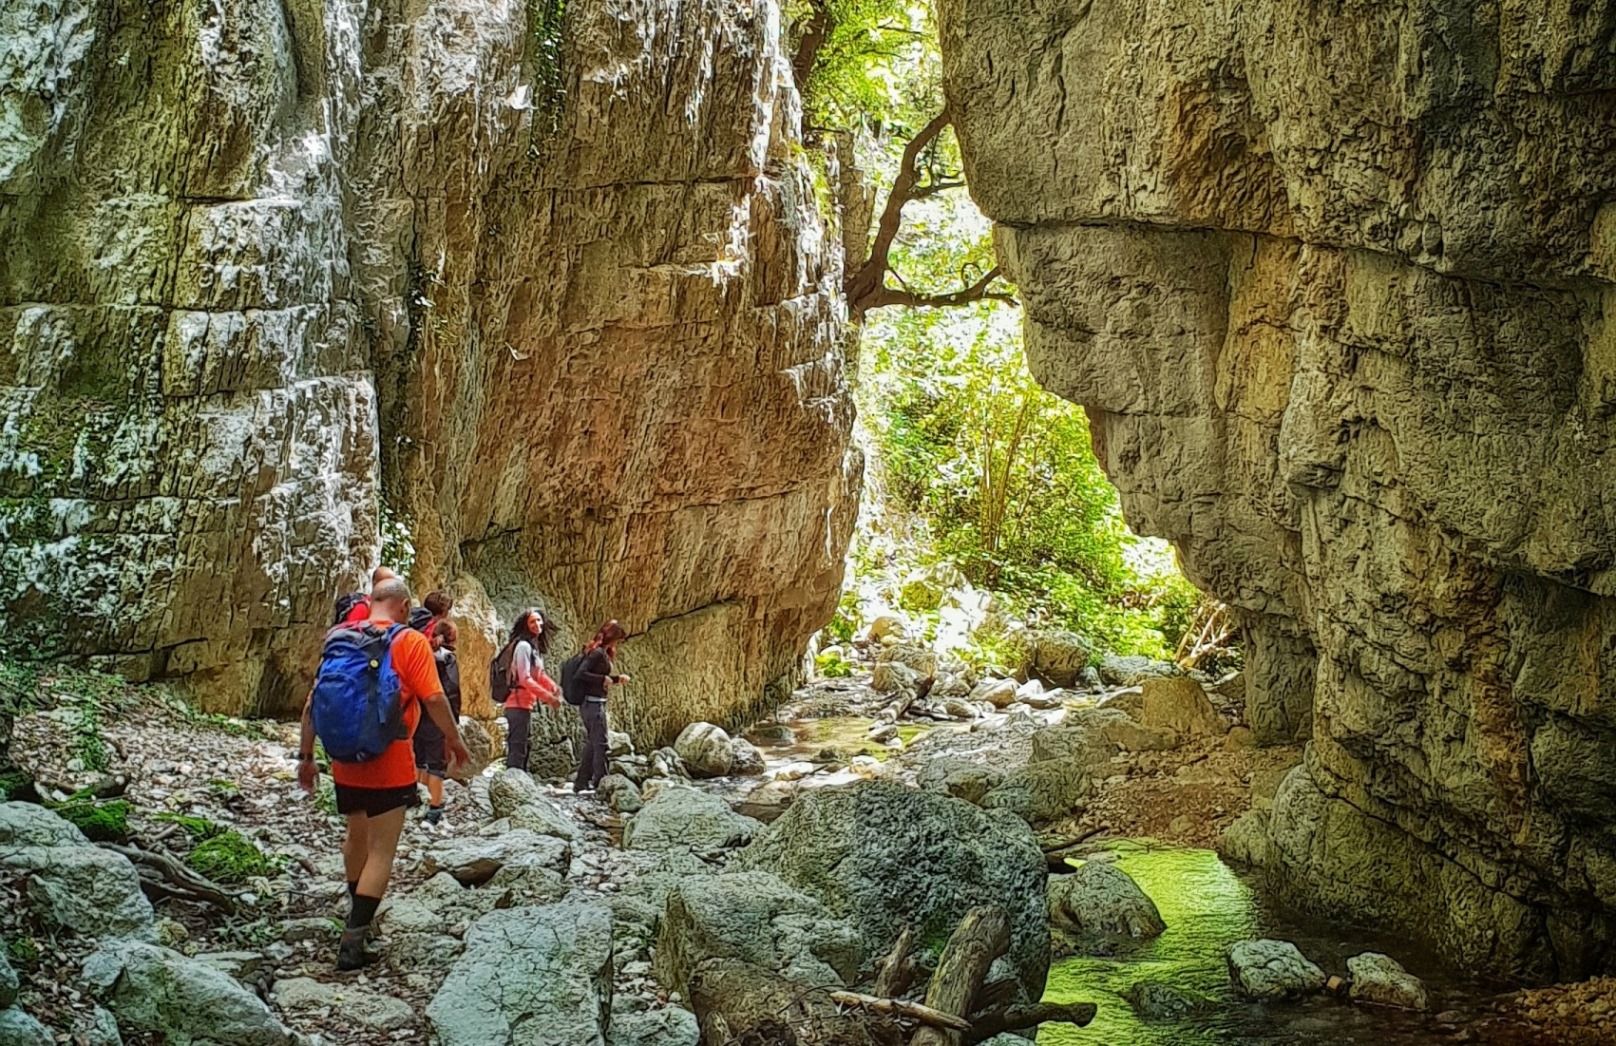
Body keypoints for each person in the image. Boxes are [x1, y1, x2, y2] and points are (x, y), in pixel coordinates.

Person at [297, 578, 468, 970]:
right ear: (405, 608)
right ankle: (354, 940)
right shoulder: (409, 641)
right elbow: (435, 698)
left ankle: (360, 916)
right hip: (389, 756)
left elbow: (312, 703)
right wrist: (454, 741)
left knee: (355, 837)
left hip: (343, 757)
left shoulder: (338, 635)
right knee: (382, 850)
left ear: (372, 601)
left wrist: (306, 756)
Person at [414, 619, 463, 826]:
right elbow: (451, 691)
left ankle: (418, 800)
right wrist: (454, 722)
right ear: (453, 637)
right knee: (436, 764)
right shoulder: (447, 659)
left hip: (417, 715)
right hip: (438, 717)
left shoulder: (423, 654)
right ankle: (434, 807)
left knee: (420, 760)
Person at [573, 619, 629, 793]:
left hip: (593, 703)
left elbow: (598, 677)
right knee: (602, 744)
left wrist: (615, 679)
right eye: (617, 640)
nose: (617, 644)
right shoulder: (597, 653)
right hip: (593, 704)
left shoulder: (600, 652)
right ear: (612, 638)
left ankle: (581, 782)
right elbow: (581, 674)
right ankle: (601, 783)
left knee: (592, 743)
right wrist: (605, 679)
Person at [502, 609, 560, 772]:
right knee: (518, 747)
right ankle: (513, 783)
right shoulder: (523, 647)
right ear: (526, 626)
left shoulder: (533, 649)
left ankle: (519, 783)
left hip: (525, 704)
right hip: (516, 703)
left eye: (539, 621)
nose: (537, 625)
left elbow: (539, 675)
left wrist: (553, 687)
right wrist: (548, 697)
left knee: (524, 745)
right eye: (532, 622)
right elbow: (524, 678)